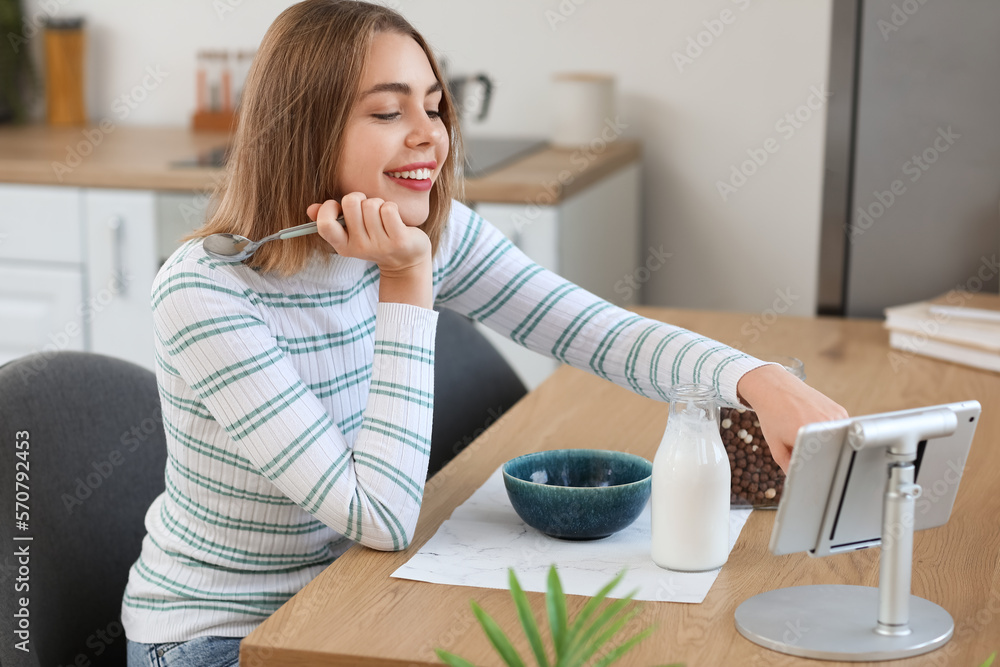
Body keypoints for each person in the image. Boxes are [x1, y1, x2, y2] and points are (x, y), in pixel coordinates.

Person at [122, 1, 848, 665]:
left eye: (435, 107)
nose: (428, 136)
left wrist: (759, 380)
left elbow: (598, 333)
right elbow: (379, 515)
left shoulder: (425, 231)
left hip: (356, 595)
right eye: (387, 112)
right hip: (223, 636)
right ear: (303, 127)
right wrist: (408, 283)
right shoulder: (209, 292)